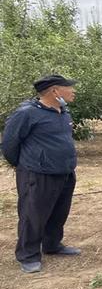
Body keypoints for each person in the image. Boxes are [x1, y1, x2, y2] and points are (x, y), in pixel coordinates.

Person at [1, 74, 81, 273]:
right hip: (37, 174)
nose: (73, 91)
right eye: (69, 87)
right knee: (33, 215)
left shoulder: (62, 111)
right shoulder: (26, 113)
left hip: (64, 171)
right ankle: (28, 255)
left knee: (58, 212)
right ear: (55, 91)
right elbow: (9, 144)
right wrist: (26, 164)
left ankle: (52, 245)